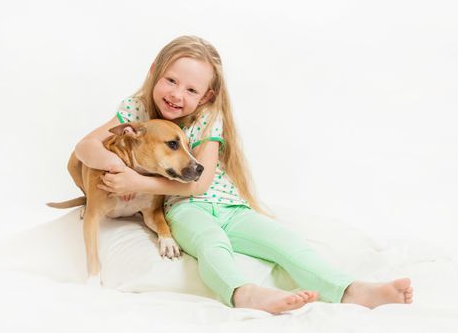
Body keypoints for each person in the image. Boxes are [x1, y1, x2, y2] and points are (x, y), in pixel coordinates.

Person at [74, 35, 414, 314]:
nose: (178, 94)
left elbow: (201, 181)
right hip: (182, 208)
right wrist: (118, 168)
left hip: (229, 204)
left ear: (206, 95)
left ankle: (351, 290)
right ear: (154, 73)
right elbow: (85, 146)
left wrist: (138, 182)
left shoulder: (208, 117)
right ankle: (245, 294)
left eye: (191, 90)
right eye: (171, 80)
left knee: (287, 242)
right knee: (211, 243)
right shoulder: (136, 112)